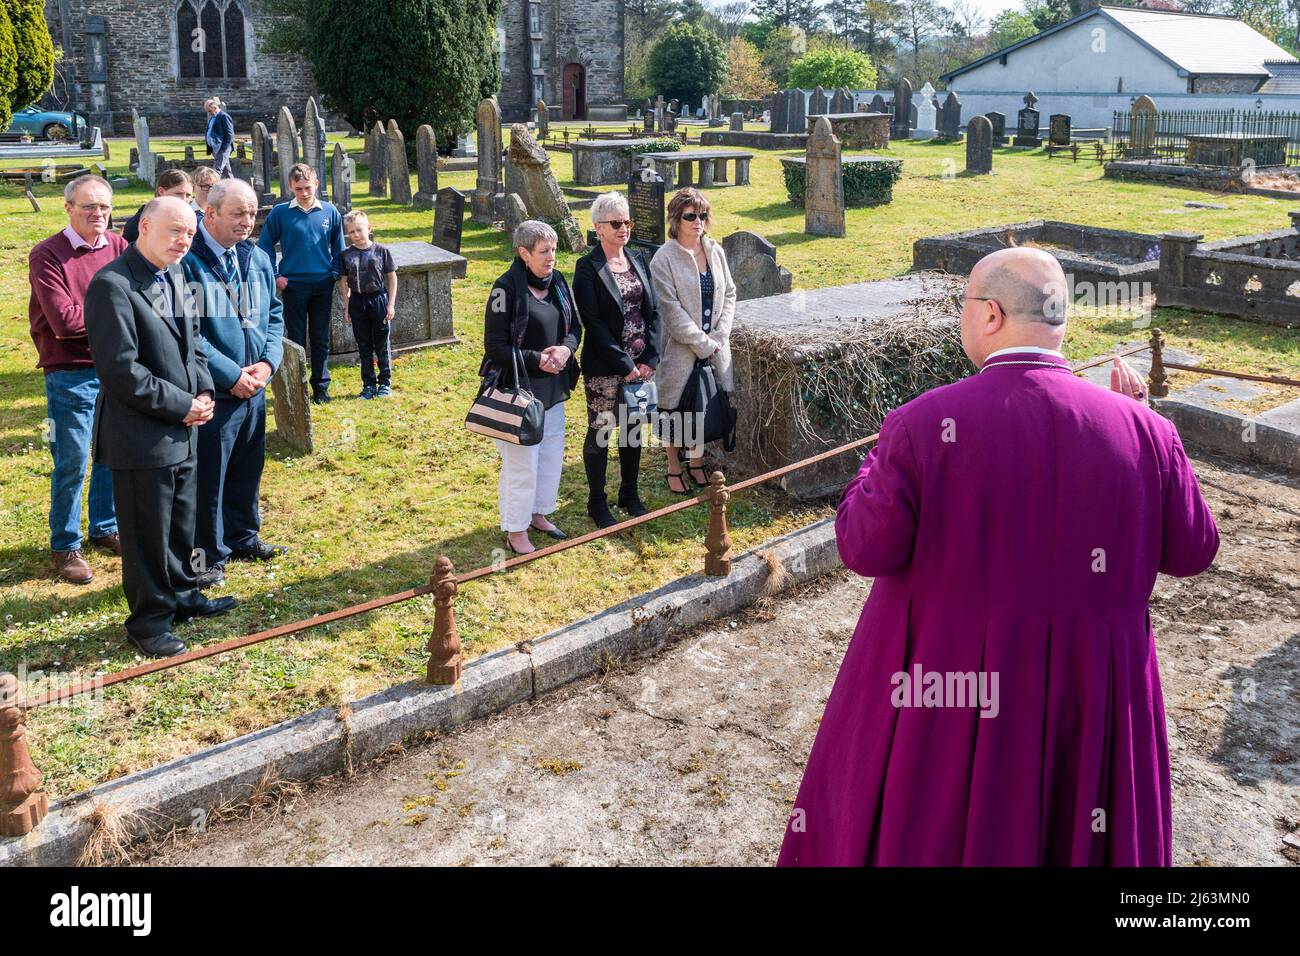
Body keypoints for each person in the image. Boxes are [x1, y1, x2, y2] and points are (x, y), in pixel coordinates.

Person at [778, 247, 1220, 867]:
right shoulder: (1146, 431)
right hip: (1090, 693)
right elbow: (1194, 550)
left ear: (988, 314)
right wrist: (1145, 430)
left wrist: (871, 467)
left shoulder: (924, 425)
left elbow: (864, 545)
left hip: (949, 693)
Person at [85, 196, 239, 658]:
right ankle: (148, 622)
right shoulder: (112, 286)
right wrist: (183, 405)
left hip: (186, 428)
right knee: (148, 534)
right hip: (142, 437)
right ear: (144, 227)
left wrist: (206, 392)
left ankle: (185, 596)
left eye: (190, 233)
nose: (184, 240)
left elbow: (194, 345)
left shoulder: (174, 273)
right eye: (175, 231)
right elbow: (121, 371)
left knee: (182, 526)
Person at [182, 179, 287, 591]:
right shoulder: (188, 262)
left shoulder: (256, 256)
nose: (248, 222)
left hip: (255, 385)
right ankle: (207, 555)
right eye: (238, 214)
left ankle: (243, 535)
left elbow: (274, 314)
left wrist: (267, 363)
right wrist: (232, 375)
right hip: (215, 391)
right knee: (210, 477)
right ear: (210, 213)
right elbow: (189, 333)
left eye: (252, 213)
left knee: (247, 465)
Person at [28, 174, 127, 583]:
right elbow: (65, 323)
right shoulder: (47, 254)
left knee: (111, 453)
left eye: (104, 206)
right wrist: (121, 315)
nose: (98, 214)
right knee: (72, 459)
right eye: (89, 207)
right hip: (71, 370)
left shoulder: (119, 246)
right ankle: (65, 544)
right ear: (68, 208)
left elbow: (142, 298)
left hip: (116, 366)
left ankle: (104, 527)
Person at [483, 221, 581, 555]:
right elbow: (495, 347)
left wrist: (566, 349)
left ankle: (539, 513)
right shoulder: (504, 289)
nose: (551, 257)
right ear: (523, 253)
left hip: (553, 388)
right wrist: (536, 358)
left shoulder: (558, 283)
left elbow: (574, 328)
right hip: (518, 393)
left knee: (551, 455)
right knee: (522, 464)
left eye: (553, 250)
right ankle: (516, 528)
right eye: (544, 251)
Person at [572, 192, 659, 528]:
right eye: (616, 223)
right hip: (606, 367)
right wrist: (625, 365)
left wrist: (650, 356)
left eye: (627, 222)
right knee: (602, 431)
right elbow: (592, 324)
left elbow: (653, 313)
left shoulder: (638, 259)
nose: (624, 228)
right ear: (598, 228)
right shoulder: (588, 268)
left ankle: (629, 492)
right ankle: (597, 501)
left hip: (641, 366)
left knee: (633, 431)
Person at [649, 187, 736, 494]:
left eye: (702, 215)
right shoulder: (664, 258)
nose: (698, 221)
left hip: (715, 345)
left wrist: (720, 335)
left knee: (703, 403)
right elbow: (670, 309)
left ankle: (697, 462)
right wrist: (701, 342)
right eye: (690, 216)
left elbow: (730, 295)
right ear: (676, 218)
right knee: (674, 408)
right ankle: (674, 466)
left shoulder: (715, 250)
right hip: (680, 349)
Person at [257, 163, 344, 404]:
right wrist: (275, 276)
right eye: (298, 189)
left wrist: (335, 272)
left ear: (316, 184)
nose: (304, 193)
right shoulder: (280, 213)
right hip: (293, 285)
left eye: (308, 187)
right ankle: (297, 386)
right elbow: (264, 248)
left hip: (322, 284)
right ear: (290, 187)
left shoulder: (330, 212)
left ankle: (321, 387)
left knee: (320, 337)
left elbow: (339, 246)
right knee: (296, 339)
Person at [337, 210, 397, 399]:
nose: (356, 234)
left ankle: (385, 383)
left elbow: (392, 278)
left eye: (359, 230)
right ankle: (368, 385)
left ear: (368, 228)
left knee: (381, 344)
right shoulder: (346, 254)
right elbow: (344, 281)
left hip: (378, 300)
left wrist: (390, 304)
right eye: (351, 232)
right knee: (364, 345)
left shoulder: (381, 251)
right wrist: (347, 306)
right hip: (357, 301)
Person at [122, 169, 194, 243]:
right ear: (161, 191)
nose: (184, 200)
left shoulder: (191, 221)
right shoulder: (137, 224)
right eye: (178, 194)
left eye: (188, 195)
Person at [204, 97, 235, 179]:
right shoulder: (212, 118)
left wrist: (224, 148)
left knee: (216, 170)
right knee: (227, 172)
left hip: (222, 148)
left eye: (209, 111)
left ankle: (212, 189)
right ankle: (234, 188)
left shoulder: (224, 116)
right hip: (215, 148)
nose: (209, 113)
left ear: (214, 107)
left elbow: (229, 134)